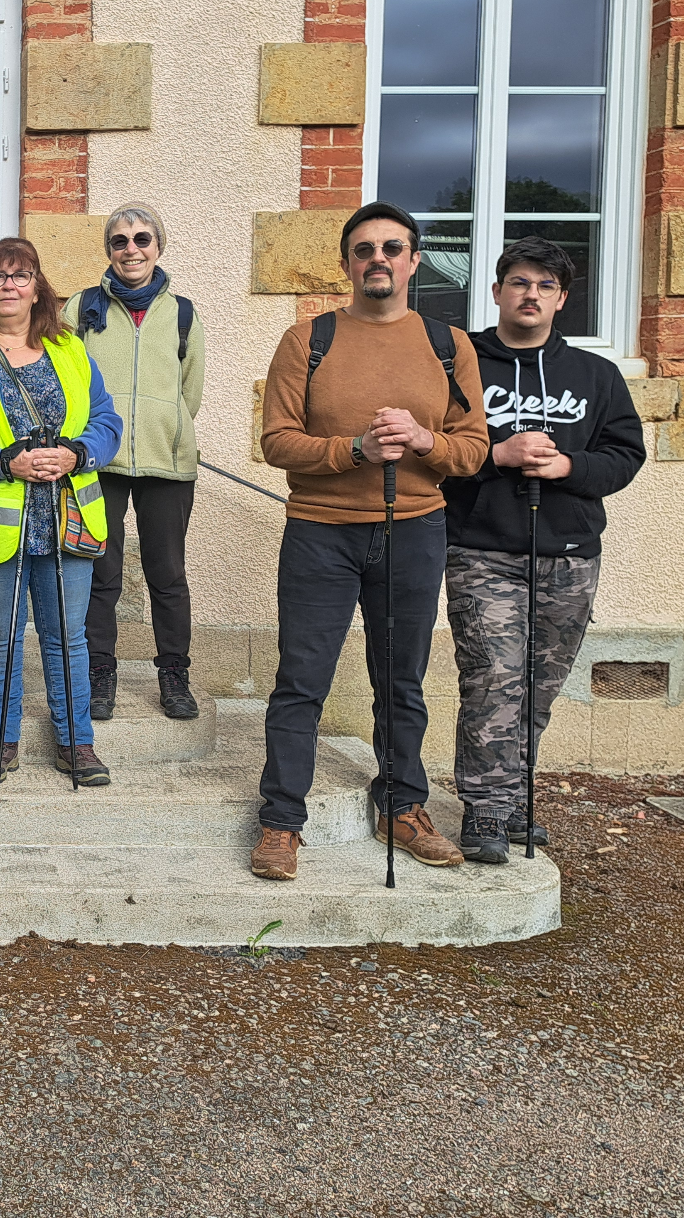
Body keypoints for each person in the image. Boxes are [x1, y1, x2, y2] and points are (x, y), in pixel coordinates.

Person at [253, 201, 490, 881]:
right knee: (301, 682)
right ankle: (281, 821)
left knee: (401, 681)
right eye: (364, 250)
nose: (377, 260)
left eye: (392, 248)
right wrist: (353, 448)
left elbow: (474, 451)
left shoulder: (449, 346)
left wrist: (425, 442)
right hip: (320, 534)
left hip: (414, 529)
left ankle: (403, 806)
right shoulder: (309, 340)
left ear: (414, 260)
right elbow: (276, 441)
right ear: (346, 264)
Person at [443, 237, 645, 863]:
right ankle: (485, 811)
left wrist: (569, 466)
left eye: (545, 286)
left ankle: (517, 799)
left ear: (561, 299)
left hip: (570, 552)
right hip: (481, 548)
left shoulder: (594, 374)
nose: (531, 295)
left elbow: (626, 454)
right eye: (520, 282)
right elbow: (435, 451)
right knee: (494, 677)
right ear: (499, 290)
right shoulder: (460, 364)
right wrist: (493, 458)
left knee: (539, 684)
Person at [0, 237, 122, 787]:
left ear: (38, 289)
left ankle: (76, 742)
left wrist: (77, 453)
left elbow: (107, 421)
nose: (9, 286)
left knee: (67, 636)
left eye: (21, 275)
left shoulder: (72, 351)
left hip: (67, 518)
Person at [62, 203, 205, 724]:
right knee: (101, 574)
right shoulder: (79, 310)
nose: (132, 249)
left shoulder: (184, 313)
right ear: (108, 250)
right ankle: (100, 672)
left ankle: (174, 674)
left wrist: (165, 432)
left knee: (167, 575)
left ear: (158, 246)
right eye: (120, 241)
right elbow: (65, 383)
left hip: (167, 466)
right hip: (99, 463)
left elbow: (189, 393)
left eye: (142, 239)